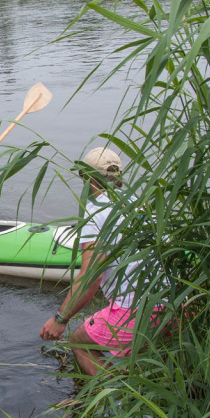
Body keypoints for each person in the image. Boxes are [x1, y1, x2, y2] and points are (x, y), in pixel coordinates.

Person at [39, 147, 140, 376]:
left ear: (88, 178)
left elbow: (91, 277)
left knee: (79, 342)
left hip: (137, 311)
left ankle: (116, 398)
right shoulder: (139, 203)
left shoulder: (96, 213)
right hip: (172, 306)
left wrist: (60, 318)